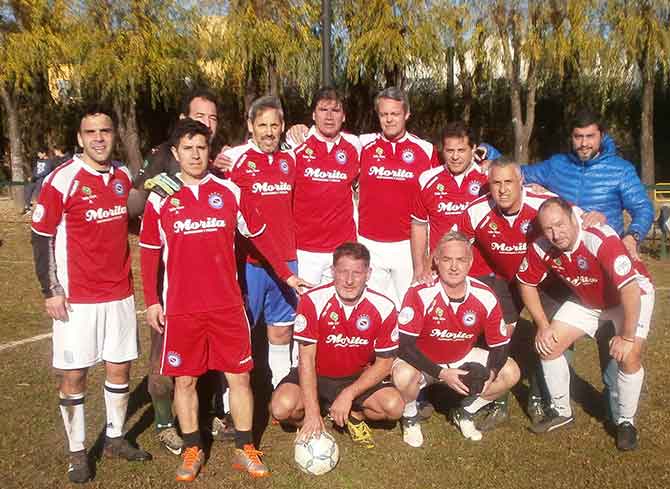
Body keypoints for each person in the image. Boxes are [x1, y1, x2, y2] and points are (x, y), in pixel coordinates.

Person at [140, 118, 309, 481]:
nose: (196, 154)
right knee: (184, 382)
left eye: (201, 147)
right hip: (182, 309)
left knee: (241, 380)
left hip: (228, 306)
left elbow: (260, 236)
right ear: (175, 153)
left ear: (210, 151)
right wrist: (153, 299)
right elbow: (150, 251)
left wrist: (287, 274)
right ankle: (191, 449)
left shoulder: (229, 192)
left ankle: (245, 447)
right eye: (188, 148)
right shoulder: (161, 198)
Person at [30, 105, 152, 484]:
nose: (99, 138)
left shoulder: (121, 176)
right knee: (74, 375)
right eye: (91, 132)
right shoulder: (61, 179)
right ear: (80, 138)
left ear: (114, 135)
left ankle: (115, 438)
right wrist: (51, 290)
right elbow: (41, 236)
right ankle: (78, 451)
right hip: (77, 298)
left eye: (105, 131)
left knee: (120, 367)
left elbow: (131, 222)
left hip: (119, 294)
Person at [520, 109, 654, 422]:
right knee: (554, 336)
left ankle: (617, 403)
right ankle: (550, 398)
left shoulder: (619, 170)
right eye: (578, 137)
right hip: (566, 271)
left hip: (607, 264)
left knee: (614, 347)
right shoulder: (557, 165)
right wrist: (487, 153)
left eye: (590, 136)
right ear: (572, 137)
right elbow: (519, 174)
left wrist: (633, 236)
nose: (583, 143)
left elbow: (641, 207)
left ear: (601, 136)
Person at [518, 197, 654, 450]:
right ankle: (561, 411)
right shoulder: (542, 245)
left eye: (560, 225)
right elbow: (526, 282)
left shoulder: (598, 239)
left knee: (630, 355)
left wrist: (626, 337)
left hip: (630, 298)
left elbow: (631, 291)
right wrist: (543, 325)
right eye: (548, 228)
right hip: (589, 301)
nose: (555, 234)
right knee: (548, 344)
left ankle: (626, 422)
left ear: (574, 217)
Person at [270, 242, 403, 449]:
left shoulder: (385, 306)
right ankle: (313, 417)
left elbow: (385, 364)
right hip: (317, 373)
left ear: (368, 273)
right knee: (281, 408)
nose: (349, 280)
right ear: (333, 271)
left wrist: (348, 394)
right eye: (343, 272)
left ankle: (353, 414)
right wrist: (312, 413)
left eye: (357, 273)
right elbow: (306, 359)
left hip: (355, 378)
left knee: (393, 407)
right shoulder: (312, 300)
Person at [392, 231, 520, 446]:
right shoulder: (420, 292)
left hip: (461, 356)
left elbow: (500, 345)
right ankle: (410, 417)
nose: (454, 267)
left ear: (470, 263)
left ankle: (466, 412)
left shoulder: (485, 295)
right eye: (447, 260)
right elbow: (404, 346)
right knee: (403, 375)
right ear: (437, 261)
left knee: (510, 372)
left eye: (460, 260)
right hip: (423, 361)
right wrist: (441, 373)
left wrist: (491, 373)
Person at [227, 95, 307, 389]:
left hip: (286, 259)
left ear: (283, 126)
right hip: (251, 263)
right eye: (262, 125)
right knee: (242, 331)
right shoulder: (235, 160)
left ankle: (279, 391)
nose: (269, 131)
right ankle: (230, 404)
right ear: (250, 126)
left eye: (275, 125)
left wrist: (303, 129)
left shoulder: (291, 159)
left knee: (282, 332)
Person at [290, 87, 361, 286]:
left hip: (343, 249)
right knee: (307, 311)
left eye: (335, 111)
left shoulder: (355, 145)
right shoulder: (295, 143)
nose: (329, 117)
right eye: (323, 110)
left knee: (339, 310)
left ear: (344, 116)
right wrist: (227, 156)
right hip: (305, 250)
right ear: (313, 114)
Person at [410, 121, 495, 285]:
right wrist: (419, 268)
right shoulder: (427, 179)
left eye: (461, 150)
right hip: (441, 270)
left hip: (481, 271)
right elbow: (419, 225)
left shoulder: (489, 179)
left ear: (473, 148)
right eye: (450, 151)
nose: (455, 157)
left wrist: (537, 186)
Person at [22, 151, 54, 215]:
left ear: (44, 153)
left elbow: (46, 172)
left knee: (38, 191)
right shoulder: (38, 161)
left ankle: (40, 209)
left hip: (43, 179)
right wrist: (32, 177)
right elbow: (35, 170)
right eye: (38, 153)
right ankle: (28, 208)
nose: (38, 155)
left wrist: (36, 176)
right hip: (35, 179)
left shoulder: (49, 161)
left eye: (40, 153)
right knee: (27, 188)